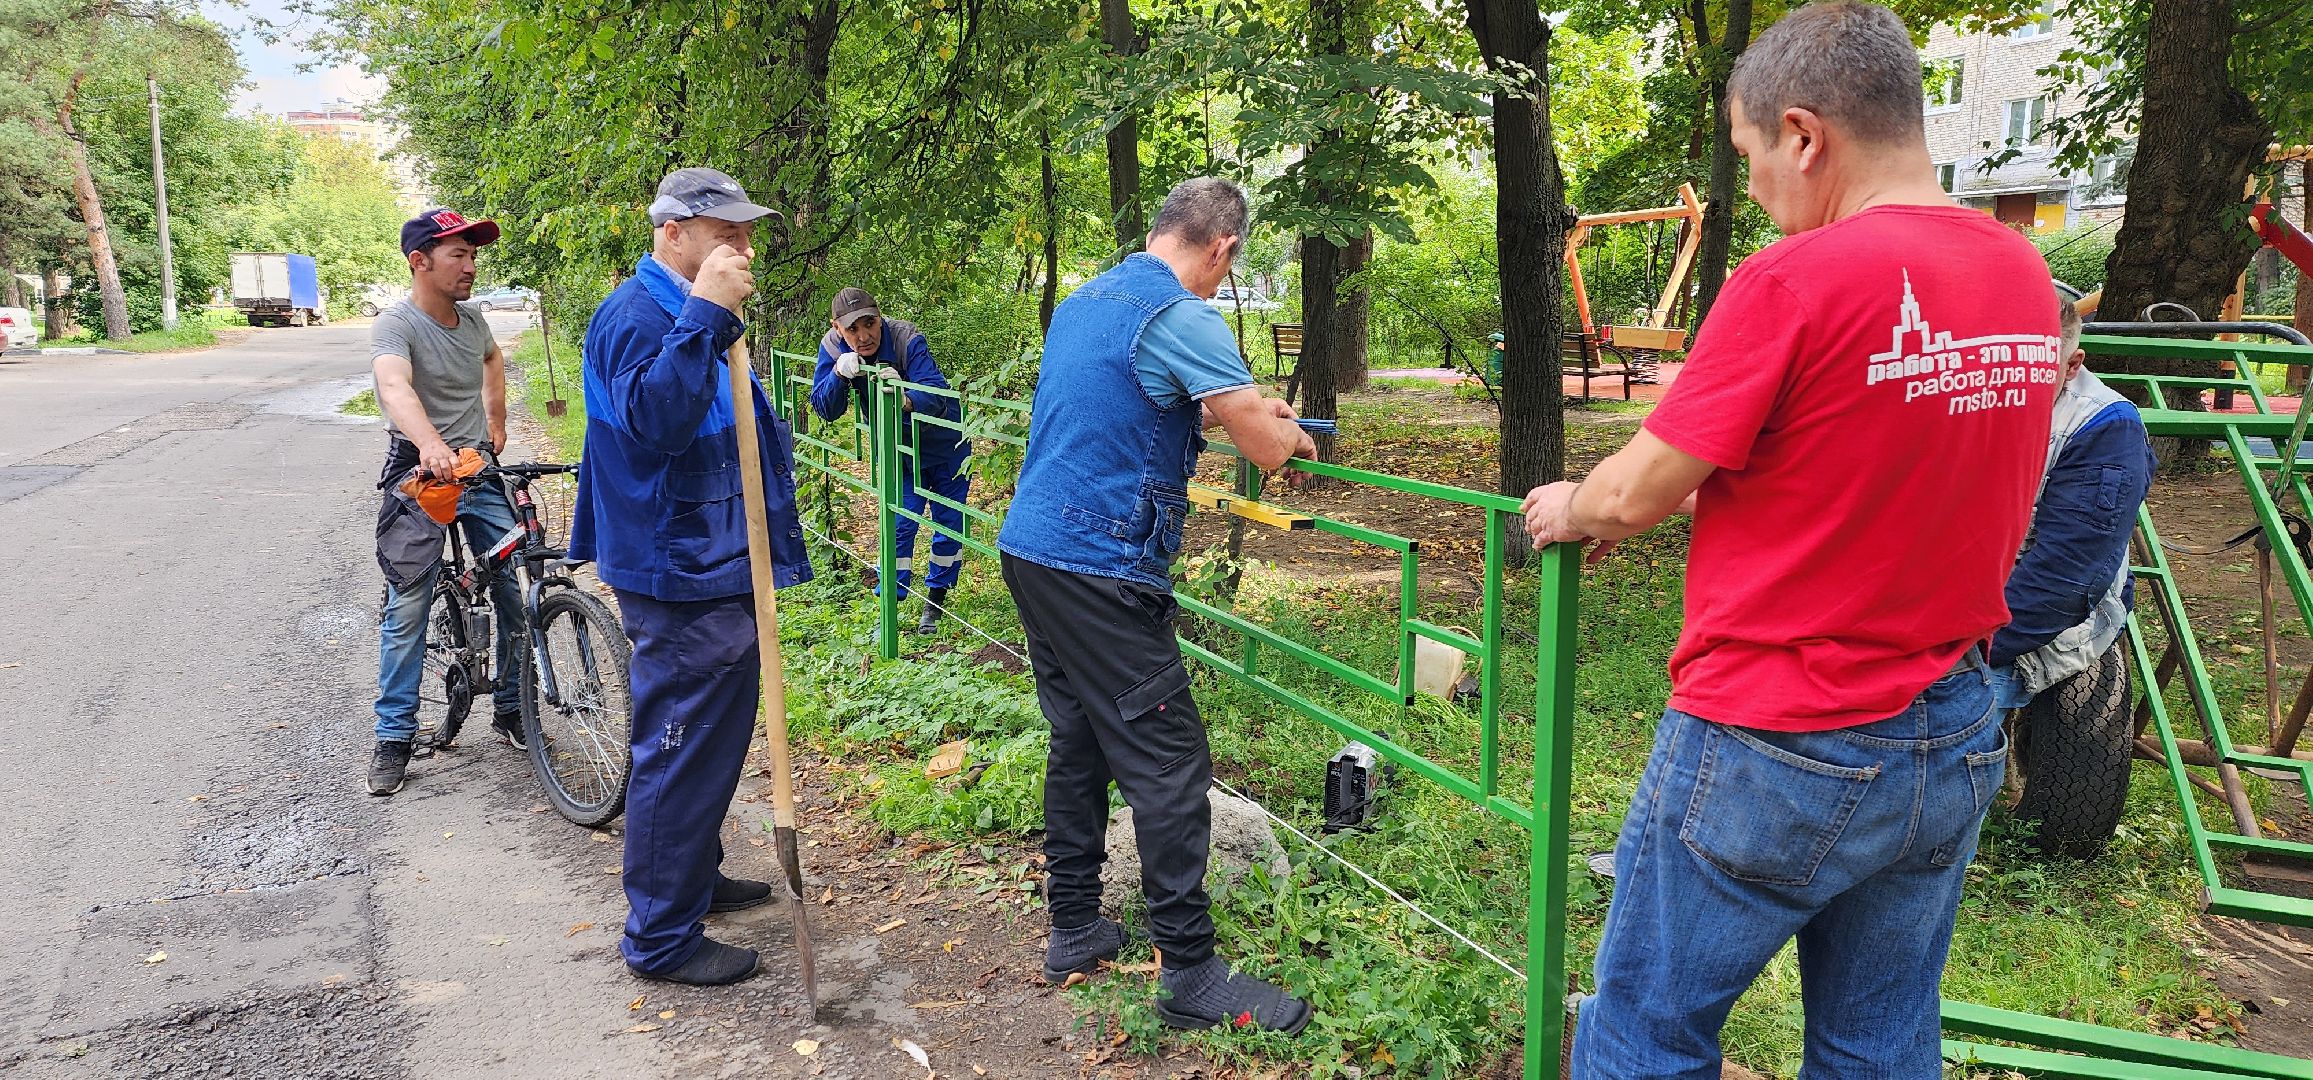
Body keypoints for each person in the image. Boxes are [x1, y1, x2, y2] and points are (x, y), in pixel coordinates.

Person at [1522, 4, 2064, 1075]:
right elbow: (1864, 463)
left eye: (1749, 155)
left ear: (1805, 136)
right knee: (1879, 1044)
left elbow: (1632, 494)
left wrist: (1572, 506)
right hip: (1950, 720)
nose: (1755, 189)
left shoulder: (1795, 279)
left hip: (1780, 733)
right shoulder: (2017, 274)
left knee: (1645, 1031)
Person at [996, 177, 1319, 1034]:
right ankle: (1189, 971)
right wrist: (1280, 426)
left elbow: (1128, 404)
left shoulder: (1088, 297)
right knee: (1170, 762)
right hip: (1101, 565)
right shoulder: (1185, 315)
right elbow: (1269, 451)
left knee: (1078, 739)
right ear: (1221, 248)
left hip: (1031, 545)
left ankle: (1074, 927)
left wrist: (1229, 410)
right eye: (1226, 266)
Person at [568, 167, 813, 986]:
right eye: (725, 234)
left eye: (746, 233)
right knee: (679, 744)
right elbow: (662, 424)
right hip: (678, 568)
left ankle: (694, 880)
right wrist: (708, 311)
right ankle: (661, 938)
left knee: (707, 736)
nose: (743, 248)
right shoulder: (640, 315)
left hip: (712, 558)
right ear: (673, 234)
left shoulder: (689, 312)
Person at [368, 207, 517, 797]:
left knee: (513, 581)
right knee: (408, 606)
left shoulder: (475, 320)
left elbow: (492, 359)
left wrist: (497, 422)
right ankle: (394, 738)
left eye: (474, 255)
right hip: (419, 472)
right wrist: (429, 443)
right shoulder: (395, 324)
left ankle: (512, 707)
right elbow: (393, 384)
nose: (471, 266)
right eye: (459, 254)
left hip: (475, 468)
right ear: (420, 261)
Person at [1989, 300, 2155, 709]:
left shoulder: (2105, 430)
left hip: (2030, 628)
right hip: (1948, 609)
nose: (2014, 382)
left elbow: (2064, 582)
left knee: (1927, 715)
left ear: (2072, 364)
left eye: (2035, 368)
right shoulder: (1967, 396)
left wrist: (1958, 652)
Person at [810, 288, 971, 633]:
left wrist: (907, 398)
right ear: (837, 328)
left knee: (948, 522)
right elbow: (825, 408)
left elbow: (936, 391)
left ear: (879, 316)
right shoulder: (833, 348)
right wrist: (839, 375)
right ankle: (891, 601)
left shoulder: (906, 338)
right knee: (899, 522)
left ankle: (936, 599)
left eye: (869, 324)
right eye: (852, 329)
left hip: (945, 446)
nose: (863, 336)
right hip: (898, 449)